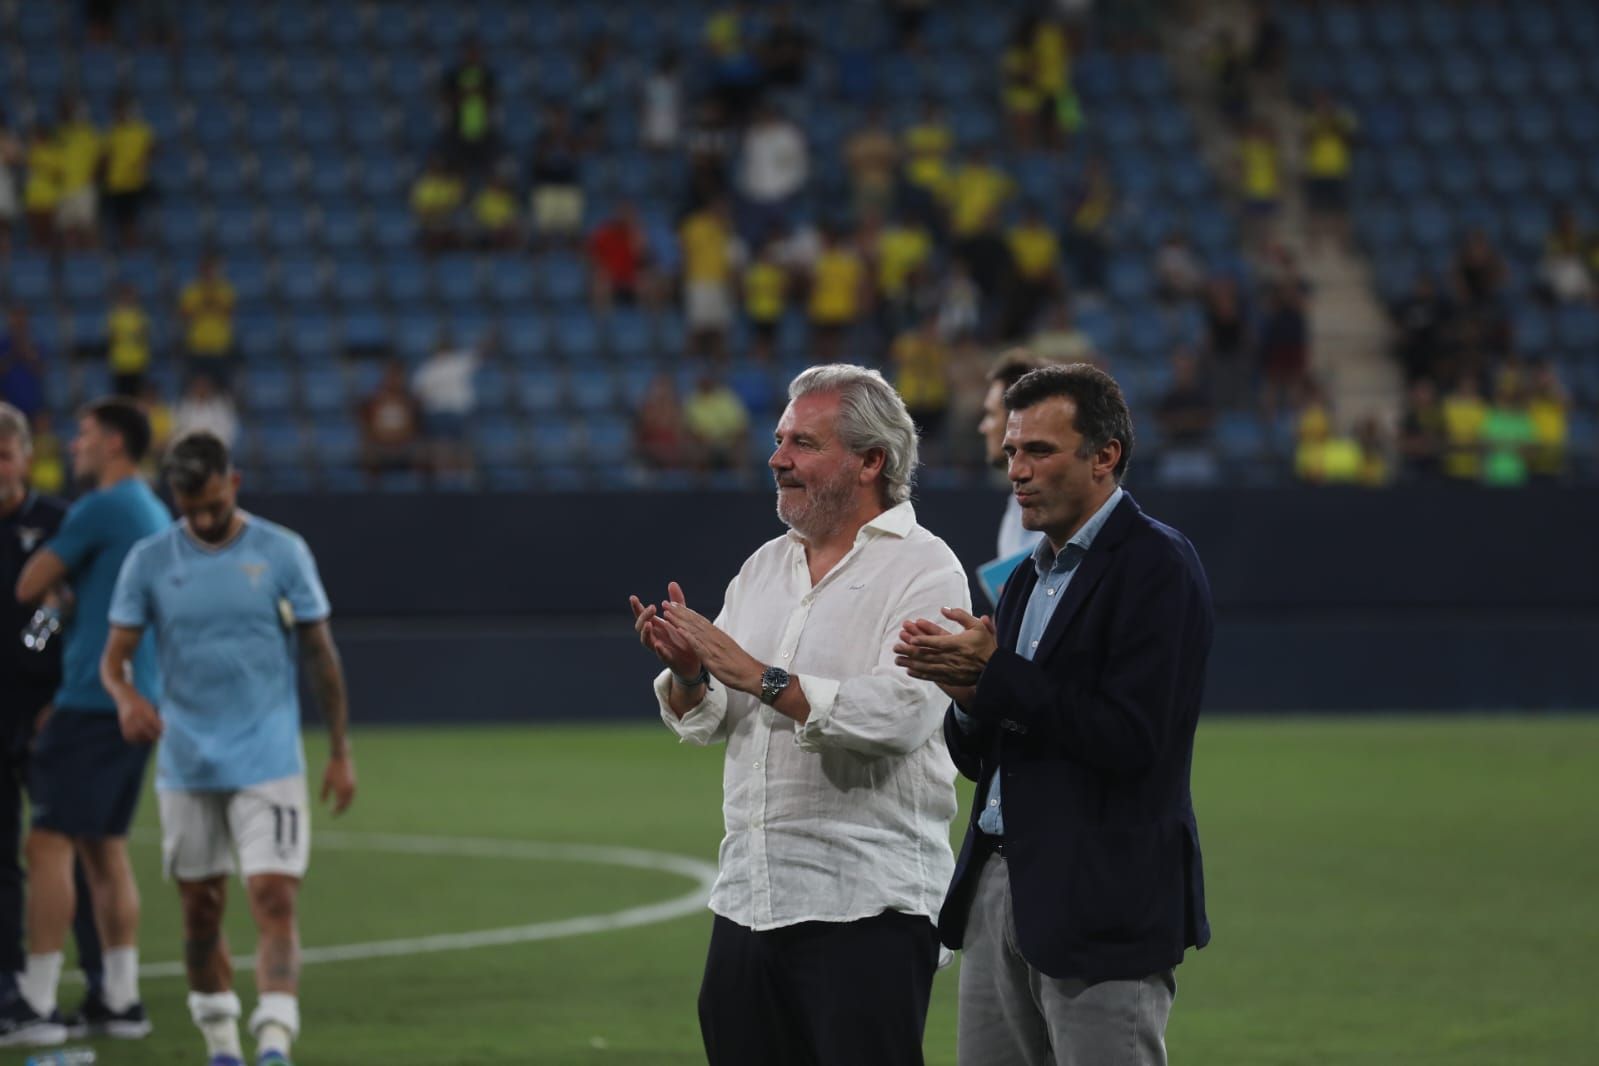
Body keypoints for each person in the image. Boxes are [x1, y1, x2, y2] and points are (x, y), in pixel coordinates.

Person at [629, 365, 969, 1066]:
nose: (777, 458)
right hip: (750, 897)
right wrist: (692, 675)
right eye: (781, 439)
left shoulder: (926, 570)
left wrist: (759, 677)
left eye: (803, 443)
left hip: (866, 906)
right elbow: (709, 716)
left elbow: (898, 714)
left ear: (871, 461)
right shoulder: (763, 568)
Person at [893, 363, 1213, 1066]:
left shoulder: (1156, 565)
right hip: (999, 887)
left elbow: (1134, 739)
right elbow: (988, 756)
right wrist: (970, 702)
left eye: (1038, 450)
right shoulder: (1026, 578)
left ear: (1105, 456)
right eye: (1011, 451)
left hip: (1101, 897)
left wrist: (996, 677)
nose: (1015, 470)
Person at [103, 430, 355, 1066]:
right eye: (191, 507)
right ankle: (220, 1044)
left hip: (268, 758)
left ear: (233, 484)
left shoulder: (281, 552)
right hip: (187, 763)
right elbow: (116, 661)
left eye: (213, 503)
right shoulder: (150, 561)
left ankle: (273, 1040)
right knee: (199, 909)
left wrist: (340, 750)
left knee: (273, 896)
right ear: (176, 498)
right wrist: (128, 698)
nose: (204, 518)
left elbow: (320, 655)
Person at [7, 398, 170, 1046]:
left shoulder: (85, 511)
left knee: (47, 844)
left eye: (83, 436)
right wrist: (55, 612)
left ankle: (36, 1004)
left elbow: (30, 591)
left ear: (112, 444)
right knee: (102, 850)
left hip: (84, 700)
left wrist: (49, 607)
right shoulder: (147, 509)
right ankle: (118, 999)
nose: (72, 446)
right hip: (127, 697)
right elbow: (62, 607)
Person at [0, 404, 105, 1047]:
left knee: (74, 851)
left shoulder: (59, 525)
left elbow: (72, 619)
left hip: (48, 715)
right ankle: (10, 984)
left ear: (25, 456)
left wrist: (48, 663)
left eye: (5, 454)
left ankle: (102, 982)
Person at [980, 350, 1050, 561]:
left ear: (1016, 419)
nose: (984, 427)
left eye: (991, 415)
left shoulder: (1060, 509)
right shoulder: (1017, 500)